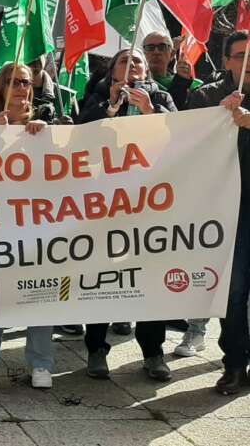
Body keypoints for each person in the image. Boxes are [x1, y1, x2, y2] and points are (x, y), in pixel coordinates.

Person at [77, 48, 177, 382]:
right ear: (112, 69)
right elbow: (80, 134)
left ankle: (153, 351)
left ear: (146, 69)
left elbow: (179, 134)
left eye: (137, 61)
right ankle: (96, 347)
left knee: (150, 276)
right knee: (102, 273)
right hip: (105, 202)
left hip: (149, 203)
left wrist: (150, 109)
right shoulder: (97, 95)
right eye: (124, 60)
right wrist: (111, 106)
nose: (132, 64)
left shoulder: (160, 95)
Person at [0, 63, 56, 389]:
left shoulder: (47, 119)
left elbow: (73, 150)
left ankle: (41, 362)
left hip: (39, 225)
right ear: (0, 88)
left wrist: (49, 130)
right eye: (14, 82)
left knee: (41, 291)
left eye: (26, 82)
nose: (21, 88)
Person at [187, 31, 250, 394]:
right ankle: (235, 364)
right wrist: (218, 116)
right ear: (226, 61)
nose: (246, 62)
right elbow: (183, 140)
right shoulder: (206, 96)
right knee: (235, 290)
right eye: (239, 55)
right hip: (227, 207)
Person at [143, 31, 202, 111]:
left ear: (172, 54)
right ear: (143, 54)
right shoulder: (136, 82)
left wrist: (182, 81)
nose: (156, 52)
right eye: (150, 48)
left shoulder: (193, 85)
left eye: (162, 47)